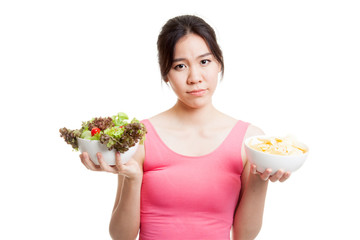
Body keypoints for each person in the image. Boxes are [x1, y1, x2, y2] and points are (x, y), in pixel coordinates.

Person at [80, 15, 291, 240]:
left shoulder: (249, 140)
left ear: (219, 63)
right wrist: (133, 179)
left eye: (204, 62)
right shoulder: (139, 136)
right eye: (180, 66)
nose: (195, 77)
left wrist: (261, 177)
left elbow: (244, 235)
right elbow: (122, 236)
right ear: (166, 74)